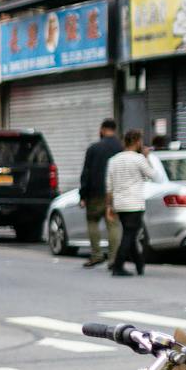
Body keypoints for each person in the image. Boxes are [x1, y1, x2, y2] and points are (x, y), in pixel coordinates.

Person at [105, 127, 158, 278]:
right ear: (136, 141)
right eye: (140, 140)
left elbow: (108, 186)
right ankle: (118, 266)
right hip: (134, 203)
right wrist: (147, 157)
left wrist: (109, 206)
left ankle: (139, 265)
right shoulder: (139, 159)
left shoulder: (113, 160)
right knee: (129, 234)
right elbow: (153, 175)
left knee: (131, 234)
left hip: (120, 203)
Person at [78, 118, 121, 269]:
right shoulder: (121, 147)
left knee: (92, 221)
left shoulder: (94, 148)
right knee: (113, 225)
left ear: (102, 129)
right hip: (114, 193)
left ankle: (96, 255)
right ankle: (113, 259)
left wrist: (83, 195)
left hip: (95, 193)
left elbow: (86, 173)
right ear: (114, 129)